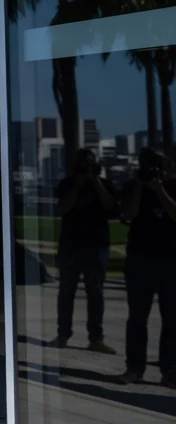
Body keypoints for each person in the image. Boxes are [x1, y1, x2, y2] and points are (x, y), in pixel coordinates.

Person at [48, 148, 117, 353]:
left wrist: (95, 180)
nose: (86, 169)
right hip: (71, 244)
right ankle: (63, 334)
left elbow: (110, 205)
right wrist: (78, 184)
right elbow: (63, 208)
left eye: (89, 164)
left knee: (96, 292)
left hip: (97, 245)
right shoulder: (67, 184)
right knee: (66, 291)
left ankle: (96, 338)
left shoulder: (104, 184)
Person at [119, 148, 176, 386]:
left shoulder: (172, 186)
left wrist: (160, 190)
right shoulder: (133, 186)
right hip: (139, 259)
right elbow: (128, 214)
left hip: (171, 260)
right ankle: (134, 368)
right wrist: (142, 187)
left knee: (172, 319)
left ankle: (170, 371)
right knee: (137, 318)